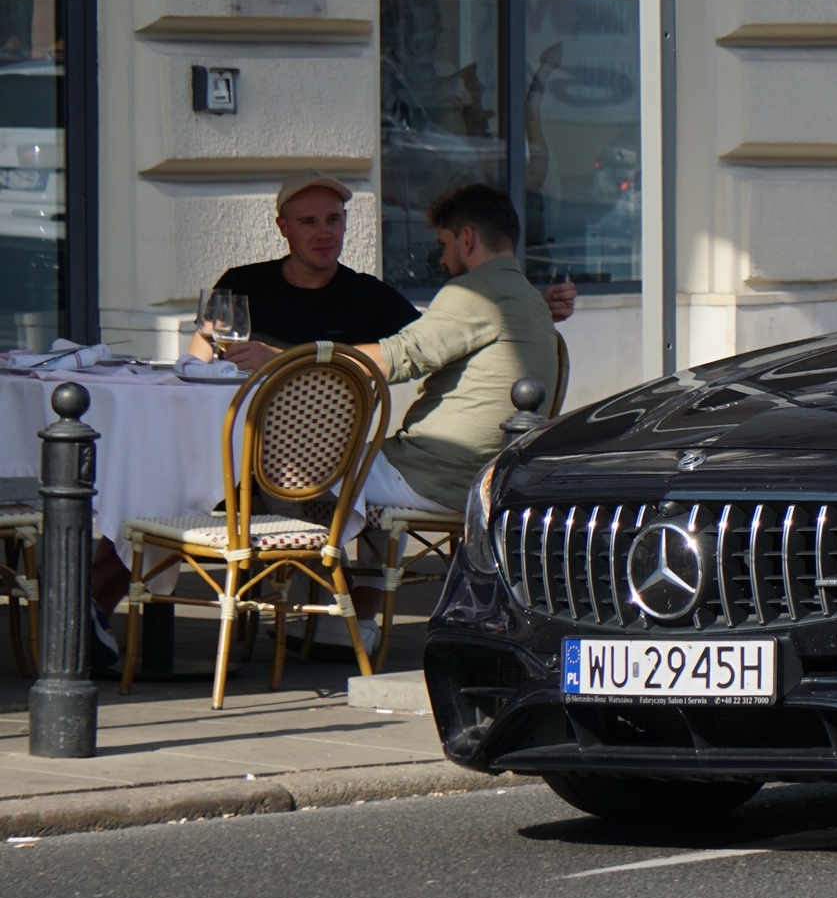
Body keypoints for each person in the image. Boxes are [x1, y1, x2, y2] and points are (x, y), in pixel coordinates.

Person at [230, 183, 561, 655]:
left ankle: (321, 608)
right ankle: (342, 619)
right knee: (361, 474)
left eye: (444, 245)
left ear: (467, 239)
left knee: (282, 477)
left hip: (438, 471)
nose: (441, 259)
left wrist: (281, 357)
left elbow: (396, 357)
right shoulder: (526, 296)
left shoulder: (474, 292)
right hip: (491, 472)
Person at [190, 173, 575, 359]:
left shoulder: (368, 295)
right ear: (283, 228)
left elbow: (446, 338)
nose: (325, 233)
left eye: (334, 220)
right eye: (309, 223)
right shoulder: (239, 285)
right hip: (231, 434)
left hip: (326, 454)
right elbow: (197, 362)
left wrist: (529, 308)